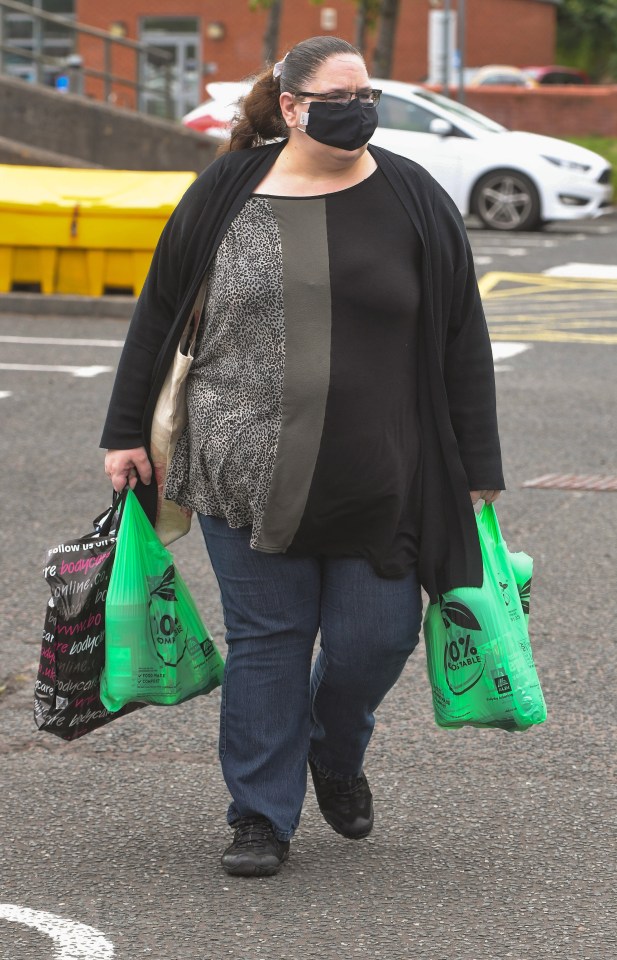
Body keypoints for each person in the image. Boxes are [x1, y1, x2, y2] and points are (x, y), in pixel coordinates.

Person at [102, 35, 503, 878]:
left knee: (374, 639)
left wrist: (478, 467)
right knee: (269, 641)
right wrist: (124, 432)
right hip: (241, 463)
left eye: (368, 90)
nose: (361, 104)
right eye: (340, 92)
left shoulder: (411, 195)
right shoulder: (227, 189)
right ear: (290, 106)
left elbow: (463, 336)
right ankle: (259, 815)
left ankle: (331, 747)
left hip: (381, 470)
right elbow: (160, 309)